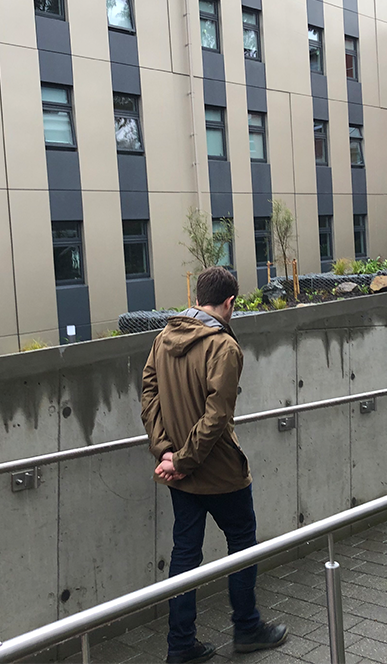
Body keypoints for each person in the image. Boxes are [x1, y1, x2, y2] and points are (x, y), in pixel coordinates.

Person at [141, 267, 287, 664]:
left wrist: (165, 453)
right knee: (242, 544)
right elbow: (216, 416)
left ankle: (180, 647)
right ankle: (247, 628)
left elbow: (149, 395)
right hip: (220, 471)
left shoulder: (163, 338)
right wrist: (183, 460)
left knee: (184, 556)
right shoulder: (224, 348)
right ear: (229, 303)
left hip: (180, 476)